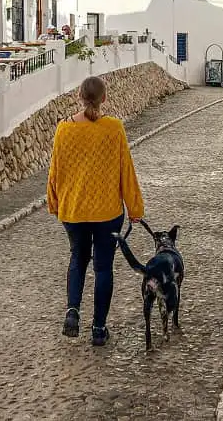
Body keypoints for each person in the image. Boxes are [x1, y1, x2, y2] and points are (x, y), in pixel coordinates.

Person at [47, 75, 144, 347]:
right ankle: (99, 328)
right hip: (107, 212)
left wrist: (54, 203)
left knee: (77, 258)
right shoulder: (113, 128)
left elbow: (55, 171)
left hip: (74, 210)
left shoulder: (64, 129)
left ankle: (73, 310)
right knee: (103, 268)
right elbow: (126, 171)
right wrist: (135, 208)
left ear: (79, 96)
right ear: (104, 98)